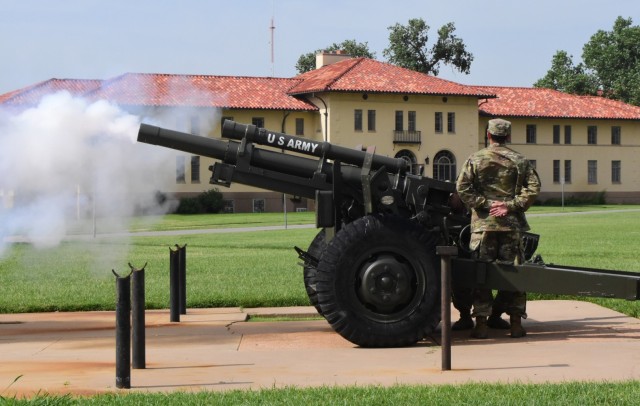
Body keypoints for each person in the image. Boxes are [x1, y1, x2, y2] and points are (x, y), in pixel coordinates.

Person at [455, 118, 541, 339]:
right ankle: (515, 325)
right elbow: (534, 187)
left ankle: (481, 326)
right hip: (511, 227)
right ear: (508, 136)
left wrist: (486, 204)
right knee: (514, 274)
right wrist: (509, 206)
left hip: (483, 227)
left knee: (481, 275)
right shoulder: (520, 160)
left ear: (488, 134)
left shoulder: (475, 159)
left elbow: (462, 187)